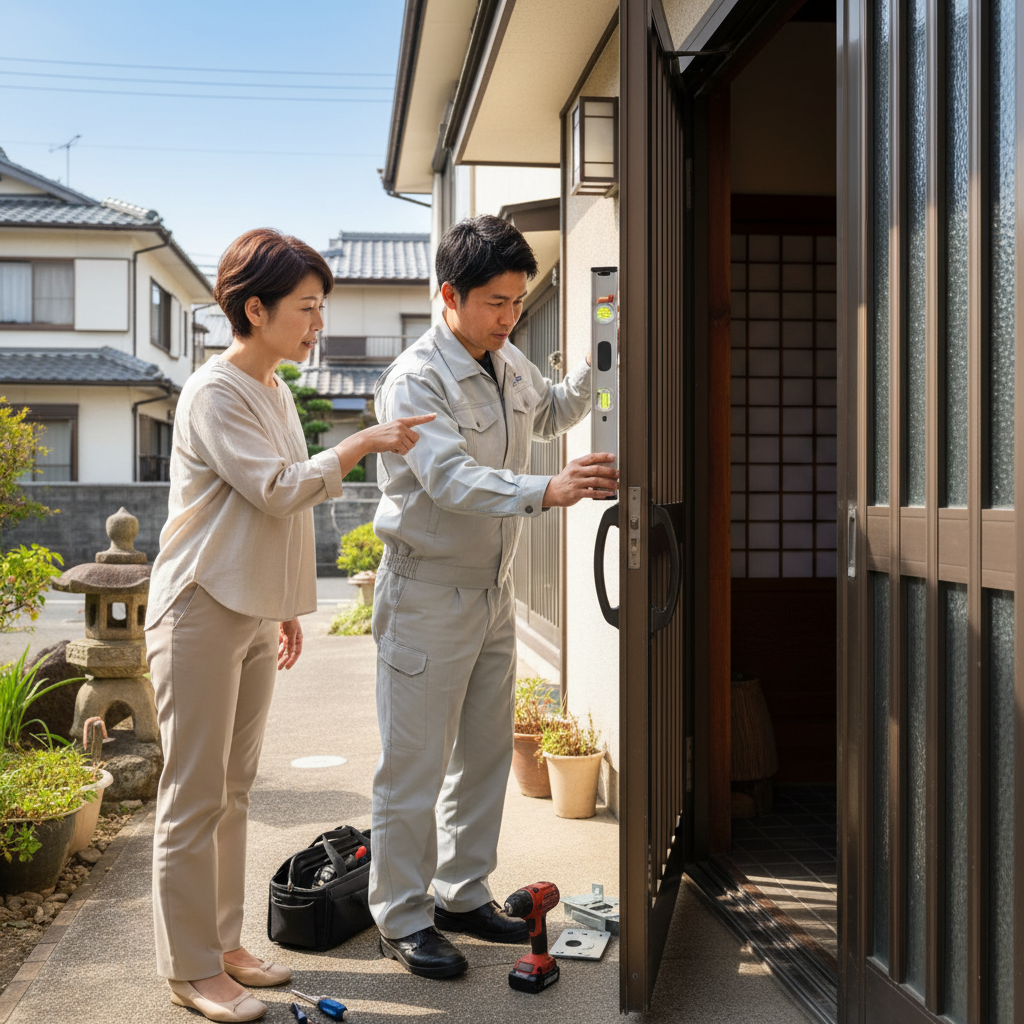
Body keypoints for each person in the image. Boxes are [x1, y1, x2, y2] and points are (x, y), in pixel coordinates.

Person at [145, 228, 433, 1023]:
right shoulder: (213, 390)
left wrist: (282, 607)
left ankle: (225, 944)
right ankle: (190, 968)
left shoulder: (272, 388)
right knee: (193, 795)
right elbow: (277, 489)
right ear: (255, 307)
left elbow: (283, 509)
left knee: (233, 793)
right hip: (199, 606)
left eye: (321, 309)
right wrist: (362, 443)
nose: (317, 325)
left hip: (246, 609)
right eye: (306, 309)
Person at [369, 214, 618, 978]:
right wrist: (549, 488)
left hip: (491, 593)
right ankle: (403, 918)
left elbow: (550, 413)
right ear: (450, 295)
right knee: (414, 766)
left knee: (480, 759)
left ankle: (460, 893)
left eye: (516, 302)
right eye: (496, 303)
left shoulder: (505, 360)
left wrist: (599, 359)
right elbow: (447, 479)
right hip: (425, 594)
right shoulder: (417, 378)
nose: (509, 317)